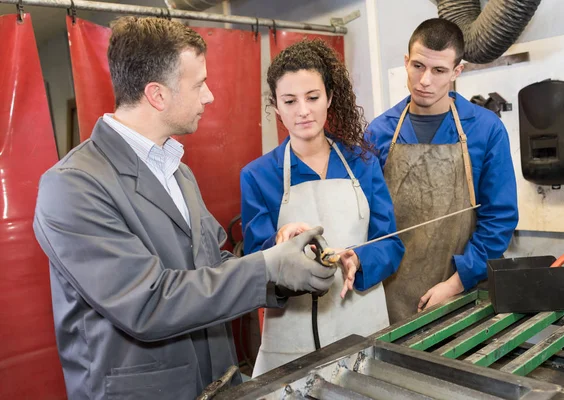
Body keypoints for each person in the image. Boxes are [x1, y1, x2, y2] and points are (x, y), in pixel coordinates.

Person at [32, 17, 336, 400]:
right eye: (199, 84)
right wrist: (266, 266)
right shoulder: (73, 185)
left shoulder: (178, 172)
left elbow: (211, 266)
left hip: (217, 382)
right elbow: (147, 302)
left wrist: (284, 268)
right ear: (158, 95)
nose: (209, 96)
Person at [241, 39, 405, 377]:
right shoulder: (258, 176)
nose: (303, 110)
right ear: (276, 107)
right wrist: (280, 247)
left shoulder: (363, 163)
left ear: (329, 98)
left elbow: (390, 243)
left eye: (313, 98)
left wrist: (360, 259)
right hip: (292, 342)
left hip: (361, 325)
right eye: (290, 101)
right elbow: (255, 268)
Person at [367, 18, 519, 323]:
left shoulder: (486, 130)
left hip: (467, 292)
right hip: (391, 295)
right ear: (407, 62)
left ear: (456, 71)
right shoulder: (378, 133)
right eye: (418, 66)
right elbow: (369, 222)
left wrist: (455, 284)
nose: (425, 81)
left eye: (438, 71)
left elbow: (499, 218)